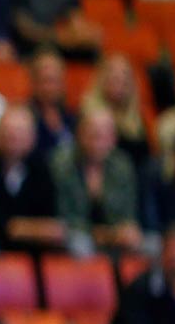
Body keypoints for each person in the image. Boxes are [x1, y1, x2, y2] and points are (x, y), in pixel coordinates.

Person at [49, 106, 141, 257]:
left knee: (153, 245)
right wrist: (102, 234)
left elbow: (128, 213)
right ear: (79, 133)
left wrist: (128, 229)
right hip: (76, 235)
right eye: (93, 134)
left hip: (114, 236)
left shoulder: (122, 166)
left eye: (104, 135)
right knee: (80, 246)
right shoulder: (61, 164)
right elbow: (63, 217)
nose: (98, 141)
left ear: (114, 138)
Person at [0, 106, 65, 252]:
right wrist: (17, 228)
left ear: (33, 137)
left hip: (35, 248)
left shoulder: (43, 167)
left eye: (20, 132)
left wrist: (20, 228)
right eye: (8, 131)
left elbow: (52, 225)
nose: (13, 138)